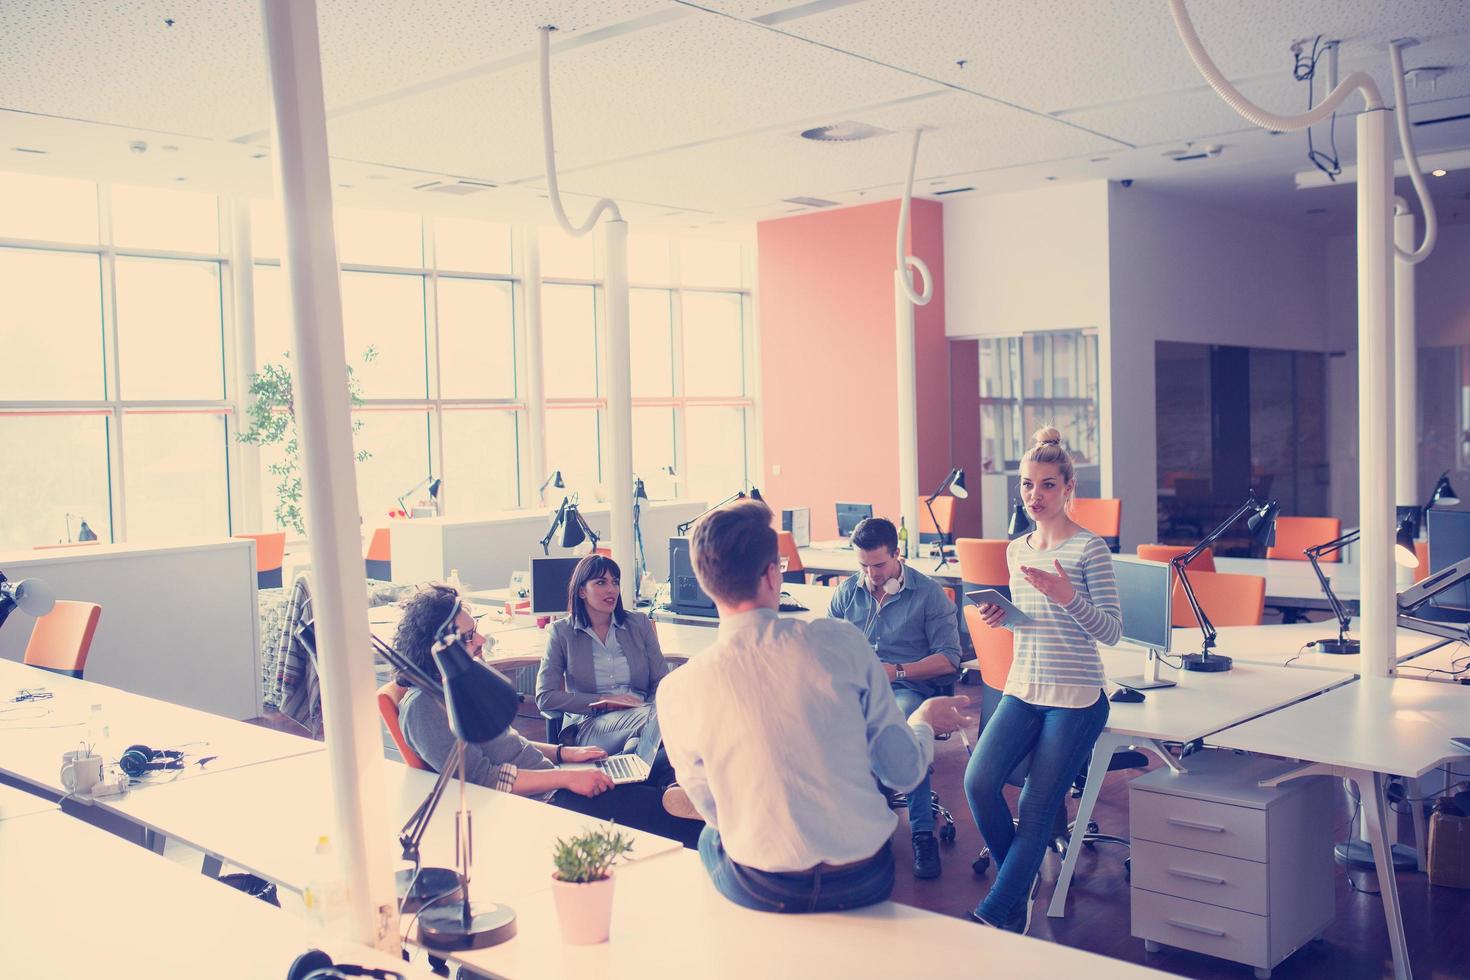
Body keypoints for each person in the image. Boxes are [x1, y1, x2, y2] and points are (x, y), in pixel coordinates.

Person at [658, 499, 973, 913]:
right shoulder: (841, 642)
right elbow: (904, 770)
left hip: (765, 886)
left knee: (709, 837)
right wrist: (921, 722)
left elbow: (714, 811)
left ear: (703, 581)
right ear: (773, 574)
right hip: (862, 877)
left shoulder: (676, 689)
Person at [393, 584, 701, 847]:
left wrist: (564, 753)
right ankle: (676, 801)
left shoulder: (455, 687)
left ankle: (672, 789)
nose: (482, 640)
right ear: (439, 646)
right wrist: (567, 777)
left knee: (659, 760)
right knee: (671, 816)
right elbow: (482, 779)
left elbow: (506, 745)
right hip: (546, 801)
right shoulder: (422, 708)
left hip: (553, 778)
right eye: (470, 635)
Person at [964, 426, 1120, 933]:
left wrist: (1067, 596)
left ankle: (997, 911)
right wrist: (1002, 618)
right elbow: (1031, 625)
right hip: (1024, 686)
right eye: (1028, 485)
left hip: (1076, 699)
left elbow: (1113, 632)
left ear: (1068, 488)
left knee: (1035, 807)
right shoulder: (1017, 550)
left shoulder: (1089, 549)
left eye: (1048, 485)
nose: (1036, 495)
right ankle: (1021, 883)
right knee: (978, 781)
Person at [826, 516, 962, 879]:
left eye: (879, 565)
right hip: (857, 688)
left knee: (899, 726)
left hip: (907, 688)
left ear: (897, 555)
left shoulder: (928, 593)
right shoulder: (846, 593)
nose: (871, 574)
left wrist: (897, 671)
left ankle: (921, 832)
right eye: (863, 566)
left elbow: (949, 657)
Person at [535, 554, 665, 760]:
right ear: (581, 591)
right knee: (666, 721)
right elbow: (545, 697)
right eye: (601, 582)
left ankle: (633, 753)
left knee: (663, 722)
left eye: (615, 582)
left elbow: (662, 682)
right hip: (593, 724)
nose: (611, 589)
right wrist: (605, 701)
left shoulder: (638, 623)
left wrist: (649, 704)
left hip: (644, 711)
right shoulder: (562, 632)